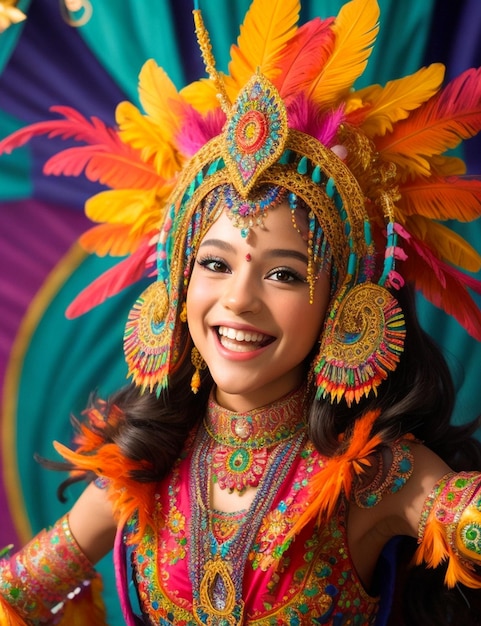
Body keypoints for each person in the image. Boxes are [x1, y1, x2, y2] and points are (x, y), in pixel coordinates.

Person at [1, 0, 481, 624]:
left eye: (284, 273)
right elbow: (15, 589)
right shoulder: (143, 466)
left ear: (345, 304)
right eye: (215, 264)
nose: (238, 300)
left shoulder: (376, 475)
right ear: (176, 283)